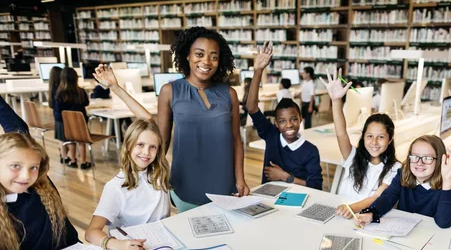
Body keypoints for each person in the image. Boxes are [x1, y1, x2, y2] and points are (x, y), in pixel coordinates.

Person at [157, 26, 249, 211]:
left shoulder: (229, 93)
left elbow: (236, 140)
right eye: (199, 54)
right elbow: (162, 140)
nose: (206, 61)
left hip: (225, 185)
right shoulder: (170, 91)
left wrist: (240, 179)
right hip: (185, 184)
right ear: (188, 56)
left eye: (213, 57)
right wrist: (154, 175)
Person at [0, 95, 79, 250]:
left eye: (33, 168)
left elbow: (69, 237)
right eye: (15, 166)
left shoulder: (42, 187)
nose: (26, 176)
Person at [320, 68, 400, 218]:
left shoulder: (395, 168)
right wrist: (336, 100)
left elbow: (377, 197)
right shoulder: (352, 156)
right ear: (363, 137)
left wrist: (351, 208)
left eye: (381, 137)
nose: (374, 142)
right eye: (369, 136)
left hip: (363, 217)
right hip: (340, 214)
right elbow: (341, 132)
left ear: (390, 139)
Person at [246, 42, 323, 189]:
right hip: (269, 197)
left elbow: (316, 186)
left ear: (301, 119)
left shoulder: (310, 151)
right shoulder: (271, 135)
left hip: (298, 200)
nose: (288, 125)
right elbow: (251, 108)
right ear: (276, 123)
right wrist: (258, 71)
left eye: (293, 119)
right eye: (282, 121)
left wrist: (284, 177)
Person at [355, 135, 451, 229]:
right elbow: (387, 198)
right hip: (403, 232)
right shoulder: (403, 175)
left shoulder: (447, 186)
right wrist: (371, 213)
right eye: (414, 157)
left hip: (428, 237)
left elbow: (444, 223)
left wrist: (446, 181)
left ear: (440, 161)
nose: (420, 163)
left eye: (427, 158)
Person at [54, 67, 91, 169]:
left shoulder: (59, 93)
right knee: (81, 141)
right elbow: (86, 103)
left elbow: (58, 111)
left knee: (70, 140)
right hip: (80, 123)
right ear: (76, 78)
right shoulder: (81, 92)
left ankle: (73, 160)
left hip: (66, 124)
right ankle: (83, 161)